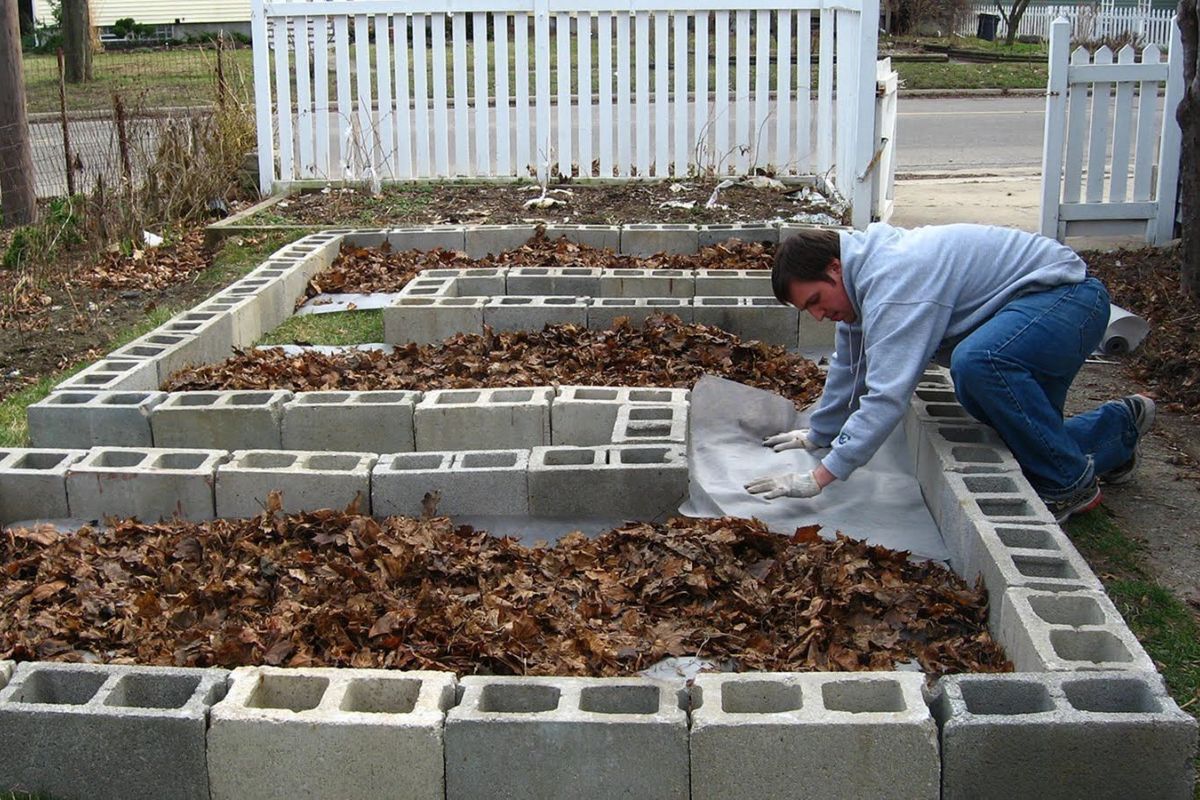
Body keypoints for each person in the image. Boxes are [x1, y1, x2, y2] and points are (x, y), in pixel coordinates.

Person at [743, 223, 1155, 523]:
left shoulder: (893, 283)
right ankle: (1118, 428)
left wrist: (820, 477)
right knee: (1030, 450)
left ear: (835, 268)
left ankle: (1072, 488)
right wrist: (819, 433)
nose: (818, 315)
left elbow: (886, 396)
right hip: (1035, 309)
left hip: (1067, 299)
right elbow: (850, 370)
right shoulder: (860, 285)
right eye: (808, 311)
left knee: (978, 364)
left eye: (816, 300)